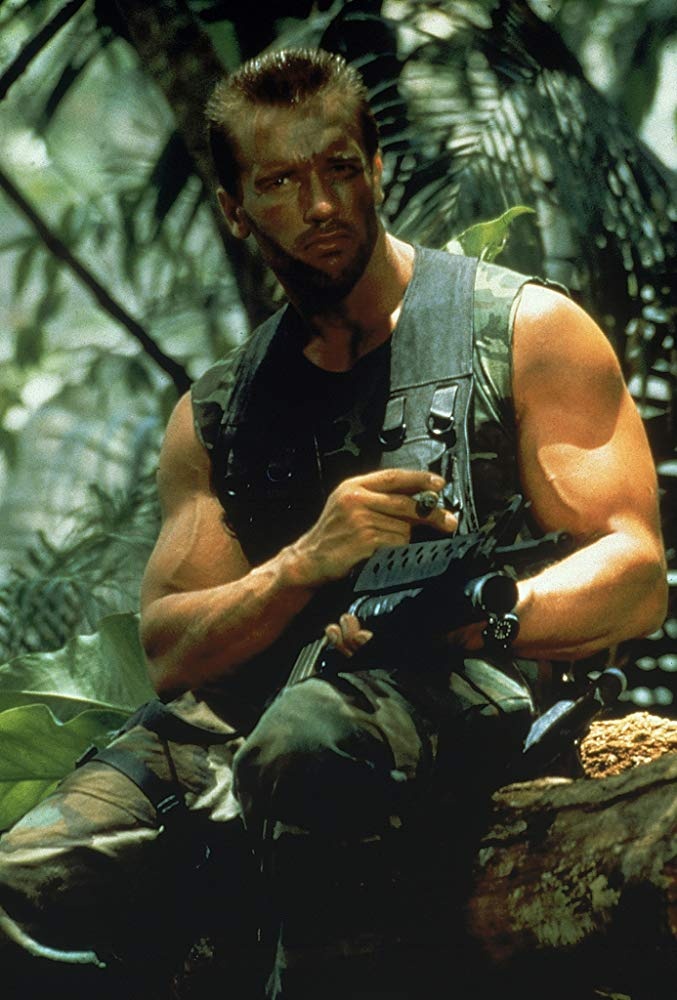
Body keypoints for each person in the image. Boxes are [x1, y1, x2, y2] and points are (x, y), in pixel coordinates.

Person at [0, 47, 667, 998]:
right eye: (279, 182)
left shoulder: (520, 331)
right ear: (234, 209)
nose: (319, 205)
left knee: (307, 743)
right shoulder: (220, 411)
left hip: (467, 689)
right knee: (26, 878)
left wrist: (475, 617)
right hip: (253, 713)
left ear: (376, 170)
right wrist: (305, 563)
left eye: (339, 167)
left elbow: (634, 573)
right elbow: (172, 649)